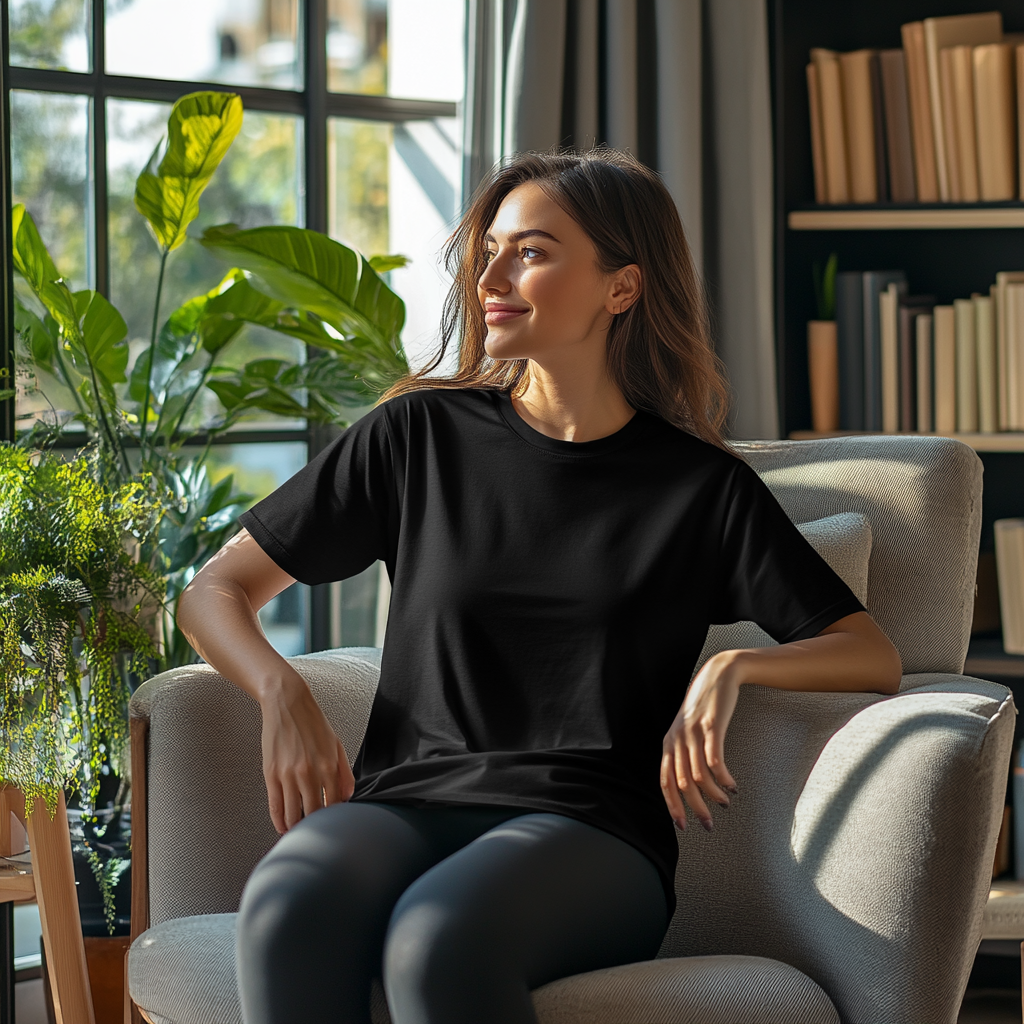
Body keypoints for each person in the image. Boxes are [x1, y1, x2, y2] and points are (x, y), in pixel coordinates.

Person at [176, 147, 902, 1024]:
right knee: (290, 907)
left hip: (592, 836)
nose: (492, 274)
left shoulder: (698, 489)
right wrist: (279, 690)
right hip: (408, 799)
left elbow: (869, 652)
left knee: (440, 938)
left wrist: (734, 670)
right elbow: (214, 591)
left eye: (532, 251)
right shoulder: (418, 436)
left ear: (620, 289)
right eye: (490, 250)